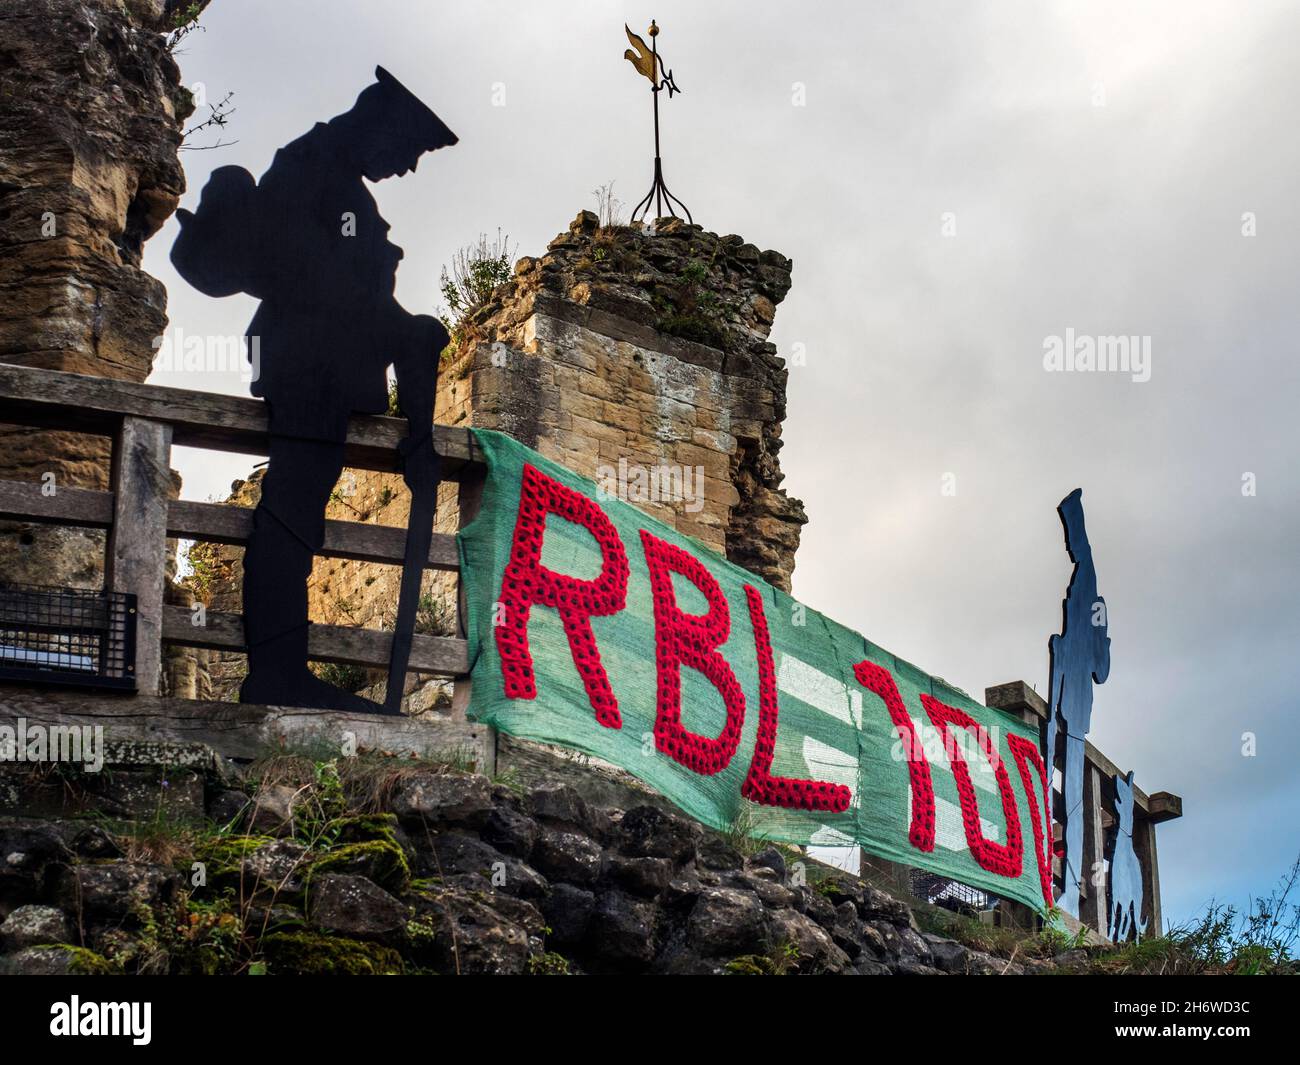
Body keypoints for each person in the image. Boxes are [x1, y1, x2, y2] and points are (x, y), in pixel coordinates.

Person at [171, 67, 457, 711]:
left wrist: (415, 399)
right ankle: (277, 675)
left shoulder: (334, 176)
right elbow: (324, 284)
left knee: (297, 518)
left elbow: (351, 289)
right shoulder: (310, 167)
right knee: (289, 519)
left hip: (325, 372)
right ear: (382, 127)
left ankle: (282, 671)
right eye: (410, 151)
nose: (408, 168)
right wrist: (405, 331)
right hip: (306, 370)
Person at [1046, 488, 1110, 915]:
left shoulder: (1089, 603)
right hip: (1066, 708)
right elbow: (1098, 667)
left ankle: (1069, 889)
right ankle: (1061, 888)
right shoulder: (1084, 602)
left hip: (1072, 711)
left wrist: (1102, 639)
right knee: (1068, 802)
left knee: (1073, 802)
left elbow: (1099, 669)